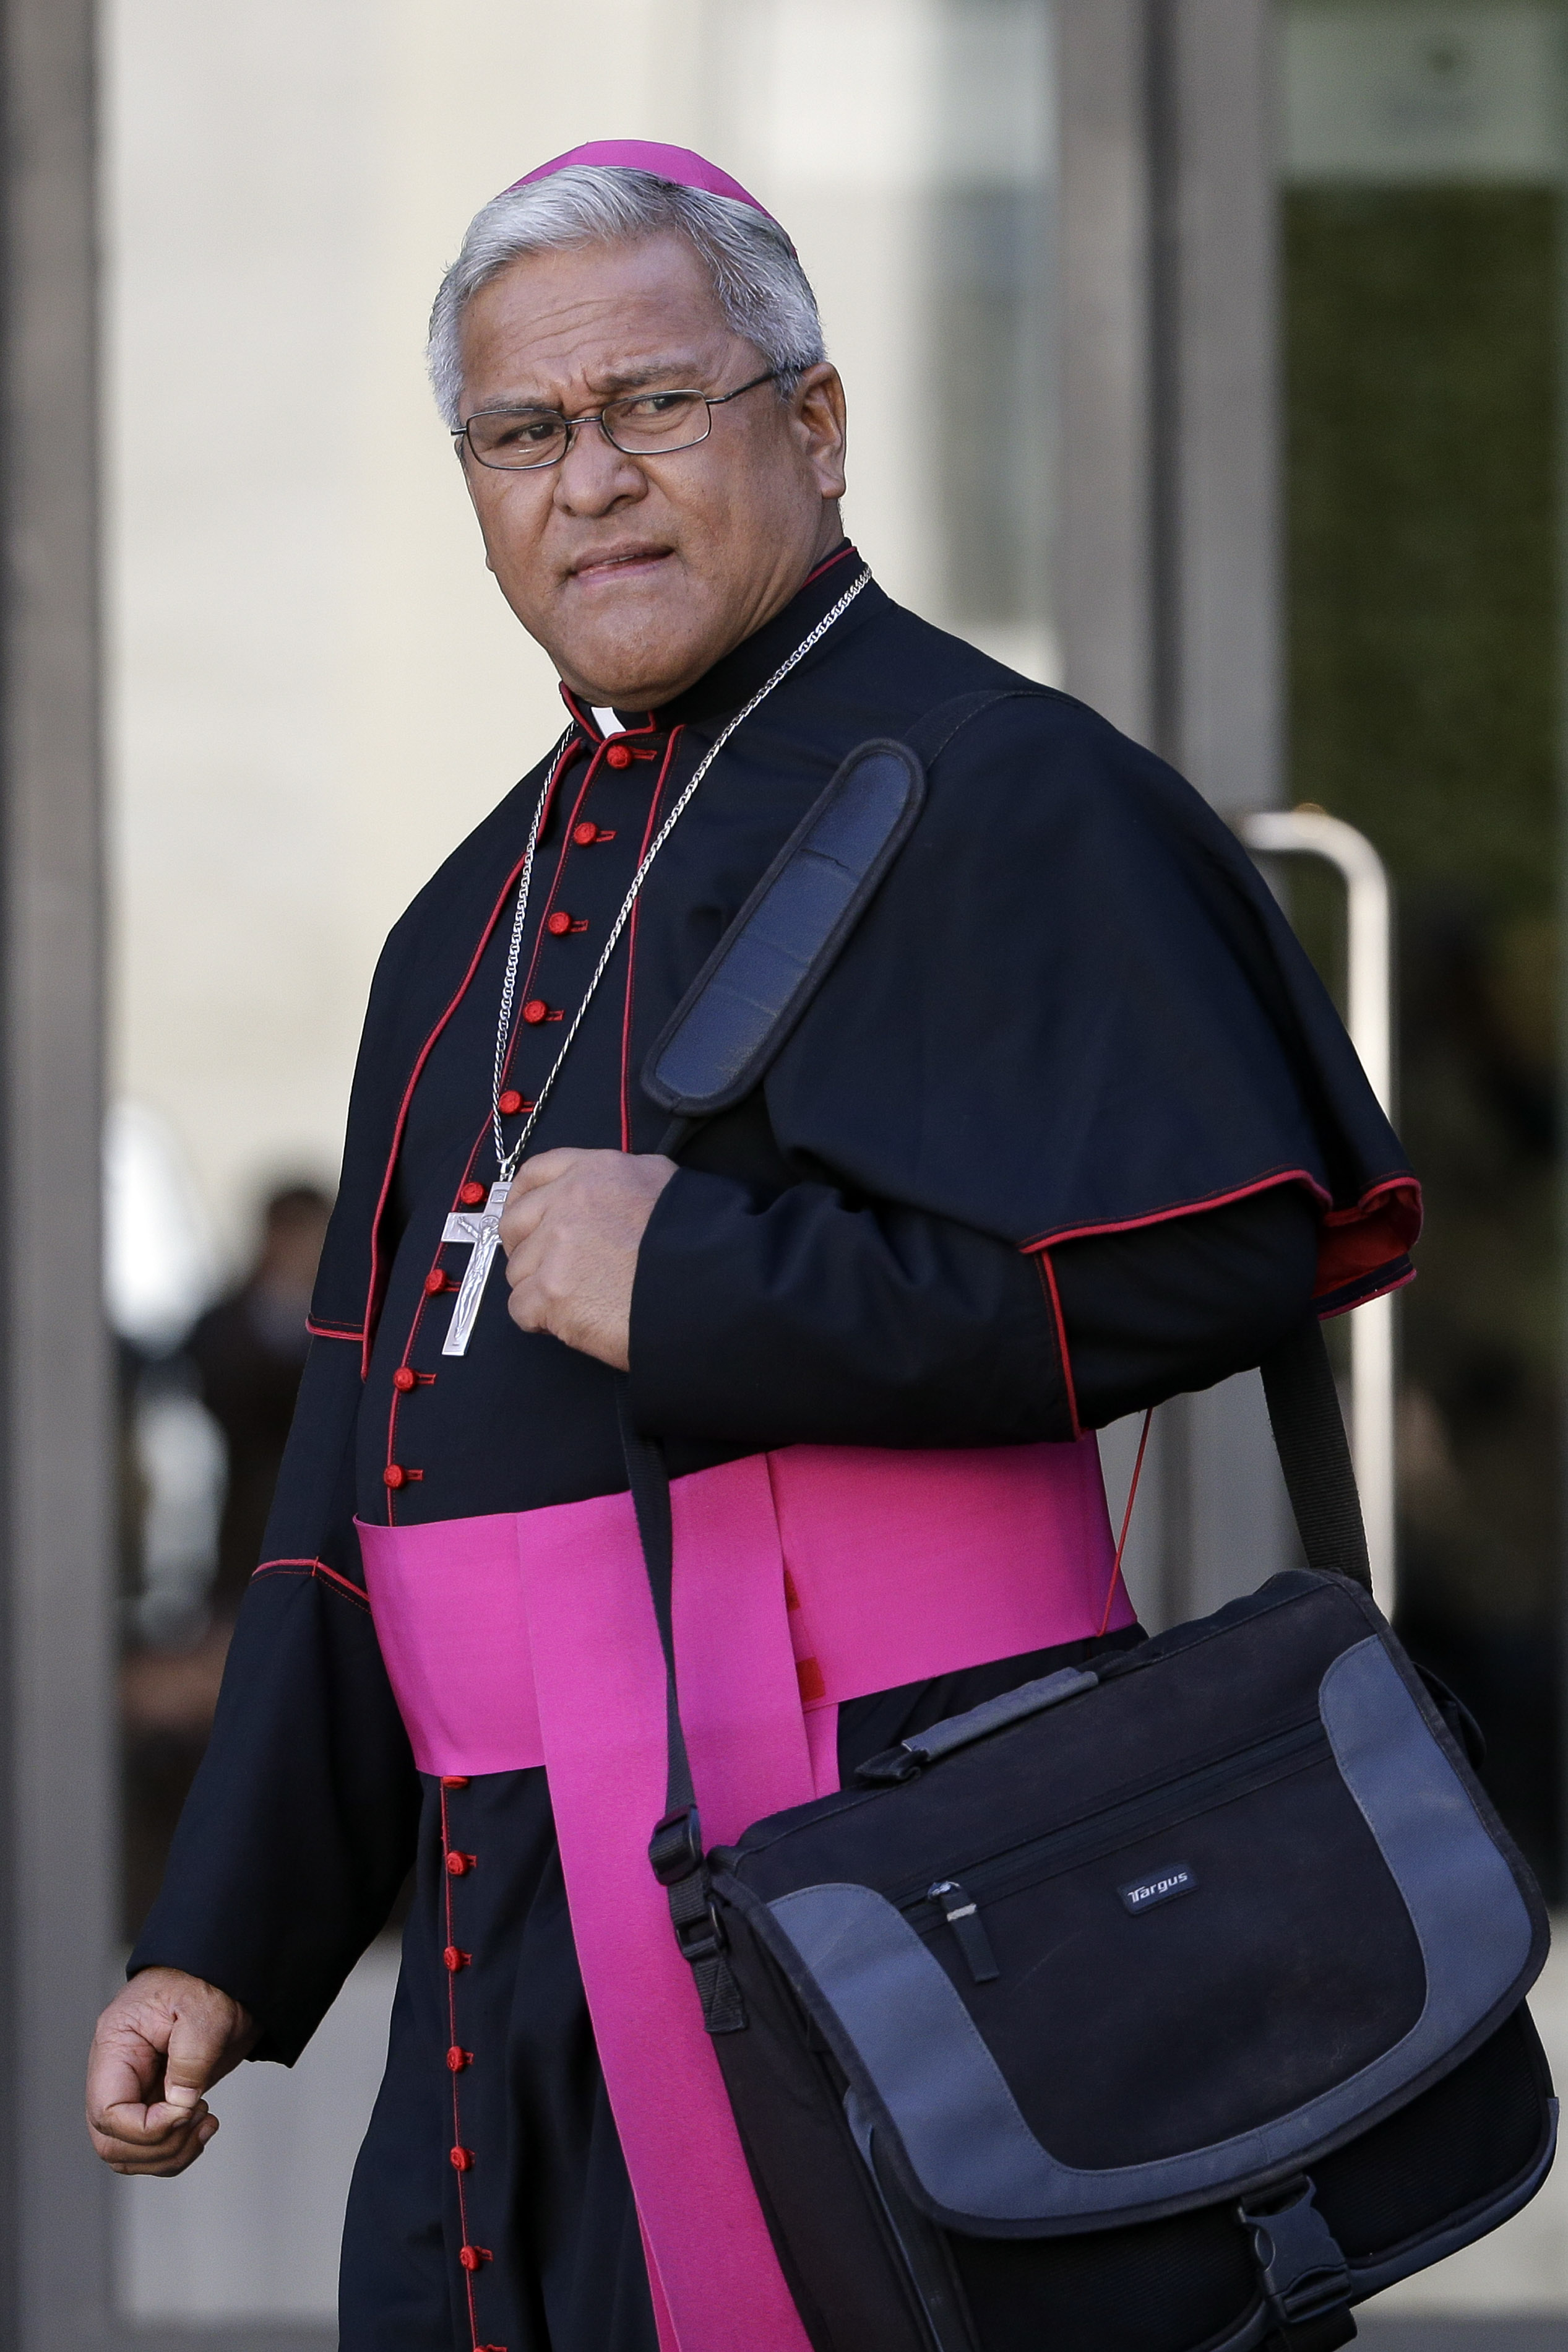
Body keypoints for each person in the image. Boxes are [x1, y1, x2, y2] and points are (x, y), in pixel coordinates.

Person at [85, 142, 1418, 2352]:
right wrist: (216, 1941)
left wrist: (701, 1287)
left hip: (886, 1891)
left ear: (809, 424)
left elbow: (1233, 1258)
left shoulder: (1014, 789)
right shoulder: (460, 916)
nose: (587, 481)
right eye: (524, 433)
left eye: (654, 407)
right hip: (508, 1942)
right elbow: (351, 1487)